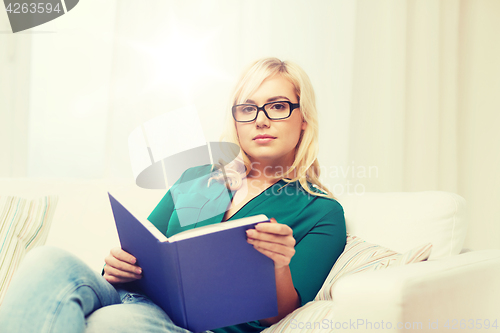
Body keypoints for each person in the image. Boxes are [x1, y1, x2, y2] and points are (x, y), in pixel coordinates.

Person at [0, 58, 346, 333]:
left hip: (192, 325)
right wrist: (117, 266)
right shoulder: (199, 177)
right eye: (247, 108)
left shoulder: (321, 211)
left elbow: (283, 314)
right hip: (130, 297)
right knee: (45, 260)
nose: (261, 120)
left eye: (278, 106)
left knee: (107, 324)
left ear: (304, 118)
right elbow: (142, 248)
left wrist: (279, 265)